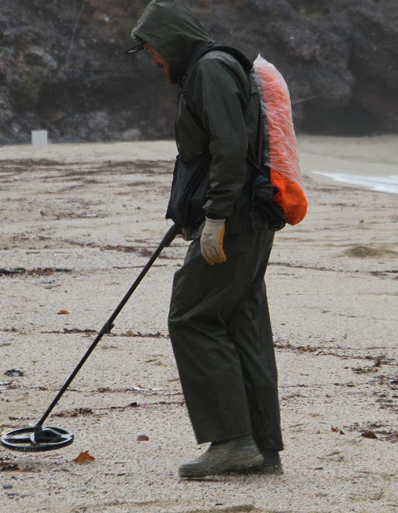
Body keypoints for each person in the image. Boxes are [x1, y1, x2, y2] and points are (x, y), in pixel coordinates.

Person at [126, 0, 283, 478]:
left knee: (191, 316)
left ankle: (234, 441)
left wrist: (214, 216)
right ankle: (260, 446)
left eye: (153, 48)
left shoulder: (210, 70)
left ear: (172, 40)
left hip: (233, 223)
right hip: (247, 219)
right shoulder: (211, 67)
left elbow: (229, 146)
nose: (153, 60)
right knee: (241, 322)